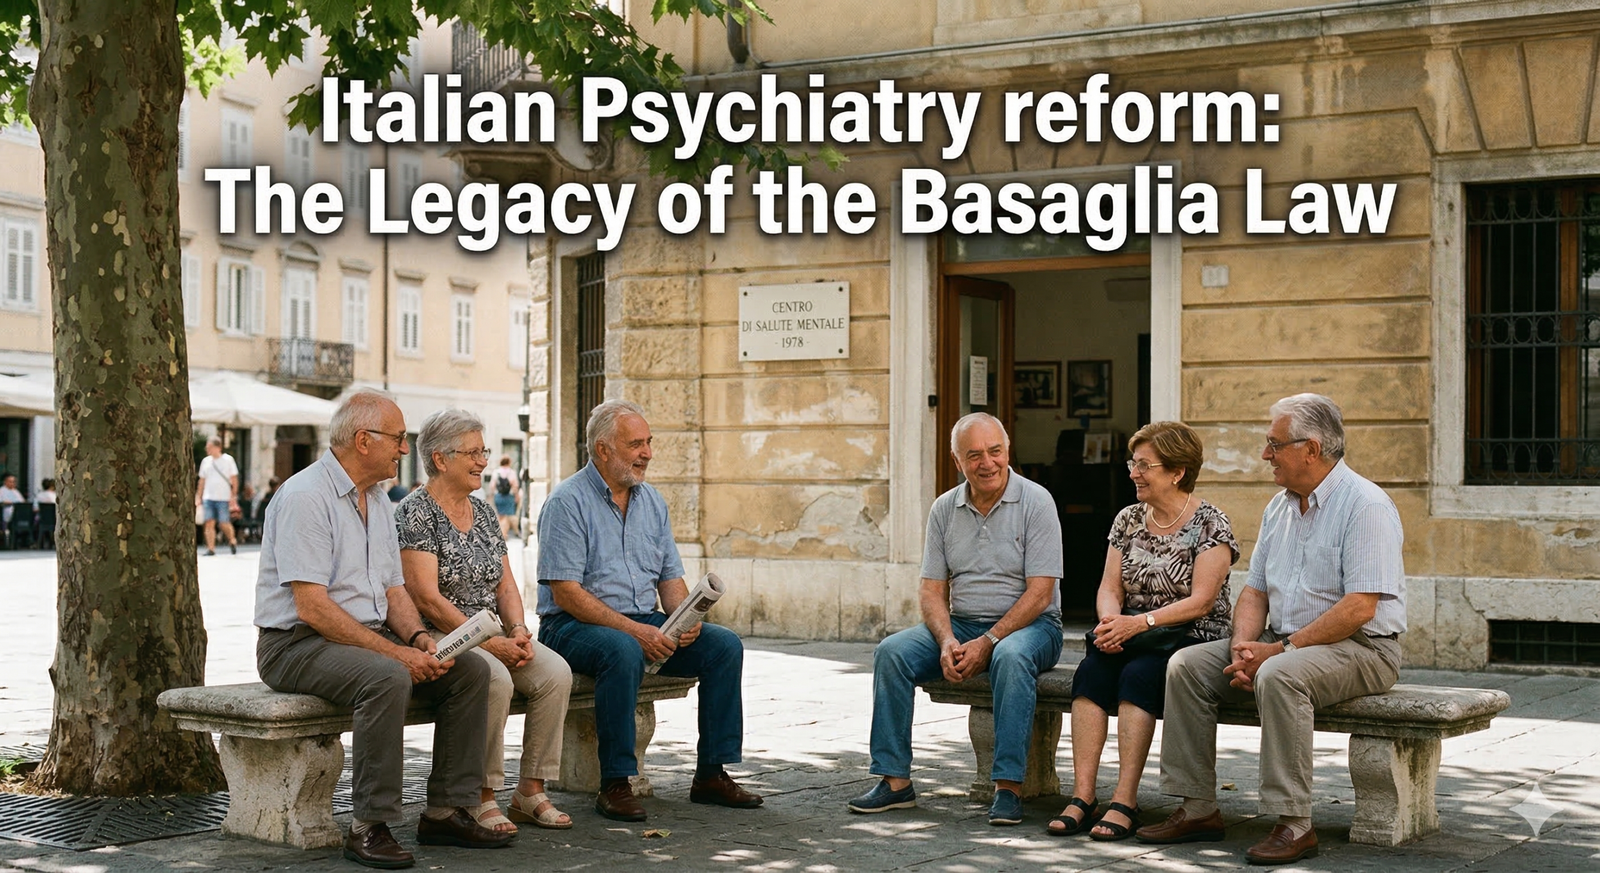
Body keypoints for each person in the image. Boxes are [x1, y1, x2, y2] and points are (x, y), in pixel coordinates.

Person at [1137, 394, 1405, 865]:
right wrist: (1244, 646)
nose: (1265, 455)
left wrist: (1279, 650)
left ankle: (1293, 822)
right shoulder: (1279, 508)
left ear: (1311, 449)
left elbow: (1361, 607)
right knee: (1186, 665)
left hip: (1363, 648)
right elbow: (1255, 591)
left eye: (1273, 444)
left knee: (1279, 675)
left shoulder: (1366, 505)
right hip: (1283, 642)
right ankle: (1196, 807)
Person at [254, 391, 513, 869]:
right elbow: (311, 608)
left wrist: (419, 640)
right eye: (397, 439)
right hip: (294, 644)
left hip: (361, 634)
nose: (402, 448)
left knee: (470, 670)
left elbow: (395, 592)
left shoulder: (376, 498)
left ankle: (446, 810)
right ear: (363, 440)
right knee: (386, 677)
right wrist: (396, 655)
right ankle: (368, 825)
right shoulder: (305, 497)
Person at [536, 399, 761, 822]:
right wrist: (634, 632)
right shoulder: (567, 502)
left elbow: (669, 579)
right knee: (621, 650)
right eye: (636, 444)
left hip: (641, 621)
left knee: (723, 646)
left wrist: (685, 619)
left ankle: (712, 773)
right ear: (603, 450)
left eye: (649, 442)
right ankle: (616, 782)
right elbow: (566, 593)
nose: (648, 453)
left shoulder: (652, 502)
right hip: (571, 625)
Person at [848, 412, 1063, 827]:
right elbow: (931, 590)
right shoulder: (945, 508)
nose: (987, 463)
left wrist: (990, 641)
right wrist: (947, 640)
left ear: (1007, 451)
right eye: (974, 455)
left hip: (1033, 627)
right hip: (963, 622)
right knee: (891, 652)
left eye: (995, 452)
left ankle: (1008, 787)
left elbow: (1040, 594)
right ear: (957, 461)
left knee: (1011, 657)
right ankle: (895, 783)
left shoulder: (1037, 501)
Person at [1047, 422, 1237, 840]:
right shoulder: (1128, 518)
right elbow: (1109, 586)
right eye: (1134, 463)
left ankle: (1125, 800)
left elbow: (1202, 601)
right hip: (1132, 630)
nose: (1133, 472)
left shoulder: (1211, 524)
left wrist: (1140, 623)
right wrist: (1111, 622)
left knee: (1138, 677)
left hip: (1189, 637)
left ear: (1177, 472)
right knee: (1092, 673)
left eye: (1144, 465)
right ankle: (1083, 796)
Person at [398, 409, 574, 836]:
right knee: (494, 678)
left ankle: (530, 790)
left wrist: (516, 630)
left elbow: (506, 586)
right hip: (440, 634)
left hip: (491, 631)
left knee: (556, 672)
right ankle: (481, 793)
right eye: (473, 453)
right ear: (441, 459)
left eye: (484, 451)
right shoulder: (414, 512)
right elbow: (426, 597)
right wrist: (486, 643)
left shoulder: (484, 511)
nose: (483, 461)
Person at [195, 436, 240, 556]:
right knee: (209, 522)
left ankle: (232, 540)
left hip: (223, 497)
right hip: (208, 497)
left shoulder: (228, 460)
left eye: (209, 447)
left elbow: (234, 479)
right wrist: (198, 496)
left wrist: (233, 496)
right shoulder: (206, 461)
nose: (207, 449)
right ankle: (211, 548)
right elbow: (202, 480)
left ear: (218, 447)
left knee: (223, 522)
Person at [490, 456, 520, 540]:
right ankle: (505, 534)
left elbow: (492, 486)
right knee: (508, 516)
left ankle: (501, 533)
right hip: (509, 496)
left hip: (498, 496)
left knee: (500, 516)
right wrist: (516, 496)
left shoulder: (496, 472)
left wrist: (493, 495)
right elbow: (515, 485)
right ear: (509, 462)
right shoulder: (511, 472)